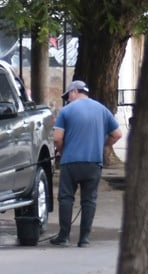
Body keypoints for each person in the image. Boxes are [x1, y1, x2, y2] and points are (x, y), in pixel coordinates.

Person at [51, 80, 122, 247]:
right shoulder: (102, 110)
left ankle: (64, 236)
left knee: (66, 197)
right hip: (94, 162)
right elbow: (117, 134)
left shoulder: (66, 111)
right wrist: (102, 144)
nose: (67, 99)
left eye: (68, 95)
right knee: (89, 200)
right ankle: (84, 238)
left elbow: (57, 138)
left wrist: (62, 151)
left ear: (75, 91)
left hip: (70, 162)